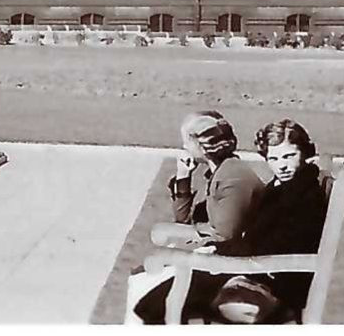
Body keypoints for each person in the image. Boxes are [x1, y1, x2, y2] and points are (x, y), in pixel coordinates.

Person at [134, 119, 330, 324]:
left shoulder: (301, 196)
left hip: (269, 282)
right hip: (257, 271)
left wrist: (217, 253)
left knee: (155, 301)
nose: (282, 165)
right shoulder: (287, 186)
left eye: (289, 156)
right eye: (274, 158)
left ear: (305, 154)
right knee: (155, 293)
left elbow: (274, 246)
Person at [152, 111, 267, 250]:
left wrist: (188, 235)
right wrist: (183, 177)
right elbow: (183, 220)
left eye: (187, 141)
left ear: (203, 147)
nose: (184, 146)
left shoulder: (232, 179)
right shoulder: (218, 173)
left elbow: (224, 236)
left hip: (233, 260)